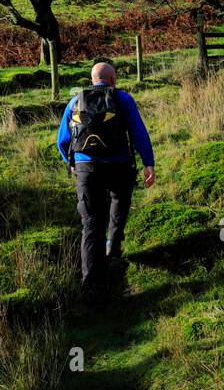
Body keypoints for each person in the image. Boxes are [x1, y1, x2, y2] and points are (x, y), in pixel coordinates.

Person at [56, 61, 155, 301]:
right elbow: (139, 132)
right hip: (119, 164)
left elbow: (62, 140)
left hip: (86, 167)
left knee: (90, 224)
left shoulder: (75, 101)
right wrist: (148, 162)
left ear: (93, 80)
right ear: (112, 79)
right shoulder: (123, 99)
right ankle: (114, 246)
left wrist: (72, 163)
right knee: (119, 201)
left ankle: (92, 289)